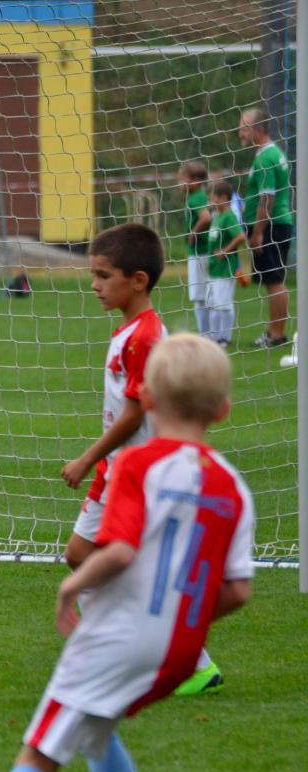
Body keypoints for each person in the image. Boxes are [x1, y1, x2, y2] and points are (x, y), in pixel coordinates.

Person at [0, 333, 254, 772]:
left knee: (39, 753)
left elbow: (120, 552)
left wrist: (72, 585)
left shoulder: (137, 463)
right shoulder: (234, 487)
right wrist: (177, 619)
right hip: (178, 651)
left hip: (119, 633)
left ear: (147, 398)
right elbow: (237, 590)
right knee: (96, 729)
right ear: (223, 410)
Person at [60, 222, 222, 696]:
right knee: (85, 557)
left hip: (135, 470)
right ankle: (126, 649)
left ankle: (180, 660)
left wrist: (86, 458)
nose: (94, 285)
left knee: (111, 563)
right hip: (121, 468)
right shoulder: (131, 331)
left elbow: (134, 414)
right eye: (93, 274)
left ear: (138, 281)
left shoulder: (145, 337)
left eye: (103, 275)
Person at [238, 107, 293, 348]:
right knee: (273, 280)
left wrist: (258, 233)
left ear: (258, 129)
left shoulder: (266, 158)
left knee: (274, 280)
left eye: (243, 128)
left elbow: (267, 199)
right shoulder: (270, 153)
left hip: (270, 227)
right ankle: (274, 332)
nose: (240, 133)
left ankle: (276, 335)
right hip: (274, 225)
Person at [201, 180, 247, 348]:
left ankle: (224, 338)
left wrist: (225, 251)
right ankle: (214, 337)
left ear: (223, 198)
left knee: (223, 305)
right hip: (214, 269)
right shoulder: (217, 216)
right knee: (213, 304)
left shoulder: (229, 217)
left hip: (225, 269)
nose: (210, 201)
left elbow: (240, 236)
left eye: (212, 198)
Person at [178, 161, 212, 335]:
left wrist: (193, 233)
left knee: (199, 296)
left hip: (201, 252)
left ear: (196, 181)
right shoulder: (198, 195)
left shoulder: (196, 197)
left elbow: (206, 218)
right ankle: (212, 333)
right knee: (205, 294)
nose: (179, 183)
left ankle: (205, 334)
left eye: (182, 179)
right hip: (203, 251)